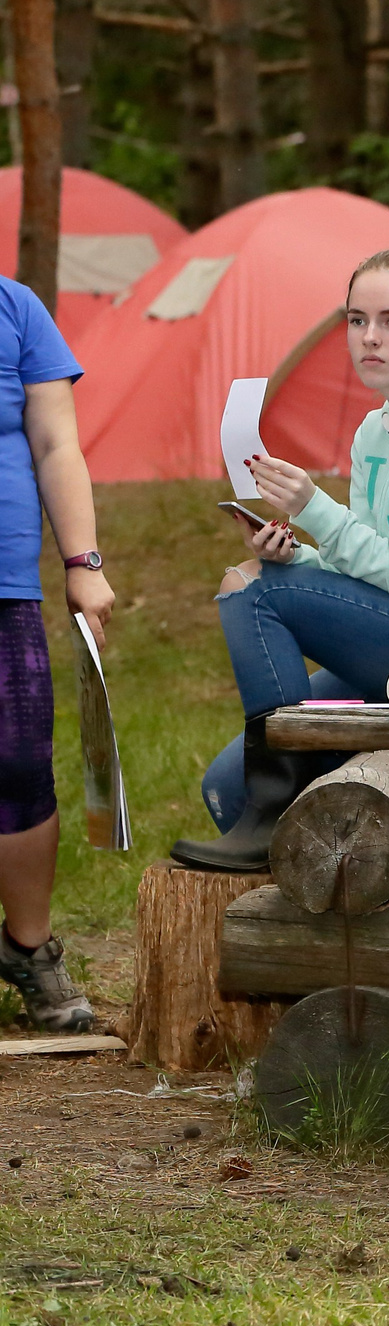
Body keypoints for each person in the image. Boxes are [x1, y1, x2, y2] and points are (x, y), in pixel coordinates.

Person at [171, 249, 389, 871]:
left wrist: (313, 507)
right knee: (224, 786)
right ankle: (288, 845)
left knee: (259, 592)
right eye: (357, 321)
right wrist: (299, 553)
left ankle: (276, 805)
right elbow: (371, 561)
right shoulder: (374, 431)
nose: (370, 338)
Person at [0, 274, 113, 1032]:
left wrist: (84, 562)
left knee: (17, 760)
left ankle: (28, 948)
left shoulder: (17, 309)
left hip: (7, 582)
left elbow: (55, 441)